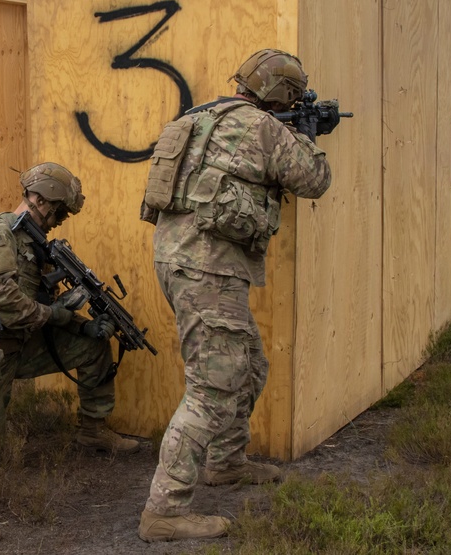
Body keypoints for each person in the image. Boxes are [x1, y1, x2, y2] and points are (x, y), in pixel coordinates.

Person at [137, 49, 335, 542]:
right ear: (283, 96)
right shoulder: (264, 129)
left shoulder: (201, 116)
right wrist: (305, 136)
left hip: (178, 258)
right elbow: (314, 180)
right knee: (212, 387)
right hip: (208, 267)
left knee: (249, 363)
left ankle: (226, 462)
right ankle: (163, 510)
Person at [0, 162, 139, 455]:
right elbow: (4, 302)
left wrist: (80, 325)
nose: (60, 220)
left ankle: (92, 431)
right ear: (39, 200)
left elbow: (42, 302)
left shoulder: (33, 242)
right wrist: (55, 314)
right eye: (59, 211)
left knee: (92, 345)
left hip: (24, 343)